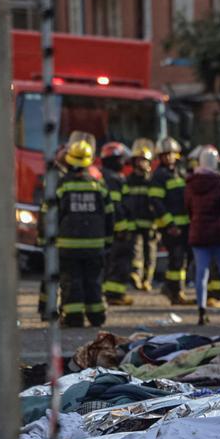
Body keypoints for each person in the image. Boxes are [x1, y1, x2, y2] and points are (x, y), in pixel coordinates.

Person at [56, 139, 113, 327]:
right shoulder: (98, 186)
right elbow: (109, 214)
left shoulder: (62, 185)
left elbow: (51, 213)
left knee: (72, 281)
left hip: (68, 244)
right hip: (95, 245)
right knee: (93, 281)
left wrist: (46, 239)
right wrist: (108, 240)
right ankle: (97, 317)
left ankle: (73, 318)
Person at [185, 146, 220, 326]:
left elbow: (188, 207)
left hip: (199, 233)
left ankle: (202, 312)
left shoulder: (191, 183)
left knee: (201, 274)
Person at [149, 136, 191, 304]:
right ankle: (175, 291)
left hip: (184, 224)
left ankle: (171, 288)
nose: (168, 157)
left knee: (181, 259)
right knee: (176, 258)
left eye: (171, 154)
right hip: (170, 226)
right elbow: (156, 202)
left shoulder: (180, 172)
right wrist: (169, 224)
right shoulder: (159, 176)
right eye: (165, 155)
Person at [99, 142, 135, 306]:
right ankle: (114, 295)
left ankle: (114, 293)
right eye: (120, 159)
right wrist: (121, 228)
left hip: (114, 228)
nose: (123, 163)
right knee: (119, 261)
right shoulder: (112, 179)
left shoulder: (110, 176)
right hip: (118, 230)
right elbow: (115, 207)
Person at [126, 140, 157, 291]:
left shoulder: (152, 181)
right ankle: (136, 276)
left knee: (150, 252)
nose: (142, 163)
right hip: (134, 222)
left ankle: (147, 280)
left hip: (150, 223)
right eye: (139, 160)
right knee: (135, 251)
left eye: (144, 160)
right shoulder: (129, 180)